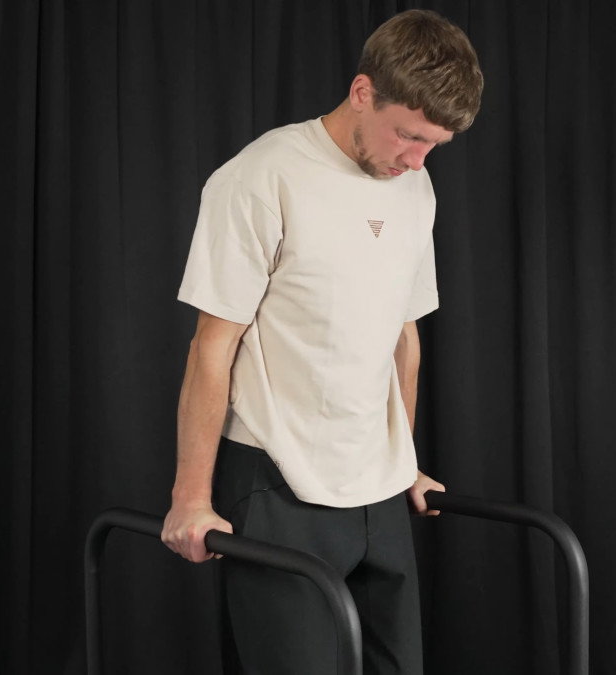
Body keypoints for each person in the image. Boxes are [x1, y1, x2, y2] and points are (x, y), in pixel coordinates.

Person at [162, 9, 483, 673]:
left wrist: (408, 461)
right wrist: (191, 497)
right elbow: (211, 348)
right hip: (281, 485)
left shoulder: (414, 187)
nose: (417, 159)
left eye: (434, 145)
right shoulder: (260, 176)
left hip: (378, 487)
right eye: (408, 136)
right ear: (363, 92)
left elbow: (405, 337)